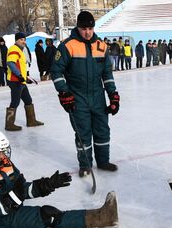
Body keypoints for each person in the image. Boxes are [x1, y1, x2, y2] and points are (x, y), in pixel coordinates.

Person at [51, 11, 120, 177]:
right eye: (84, 28)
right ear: (78, 27)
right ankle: (86, 165)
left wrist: (113, 95)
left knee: (102, 130)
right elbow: (56, 71)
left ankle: (103, 162)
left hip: (97, 96)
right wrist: (64, 92)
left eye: (90, 28)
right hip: (77, 97)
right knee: (83, 133)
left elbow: (107, 74)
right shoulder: (67, 46)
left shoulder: (101, 46)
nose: (87, 32)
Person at [5, 32, 44, 131]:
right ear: (16, 40)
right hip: (15, 81)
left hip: (20, 80)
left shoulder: (20, 50)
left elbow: (20, 66)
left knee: (28, 100)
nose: (24, 41)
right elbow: (10, 63)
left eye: (24, 39)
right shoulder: (14, 49)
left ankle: (31, 121)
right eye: (21, 39)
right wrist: (19, 75)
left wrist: (25, 78)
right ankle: (9, 124)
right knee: (15, 102)